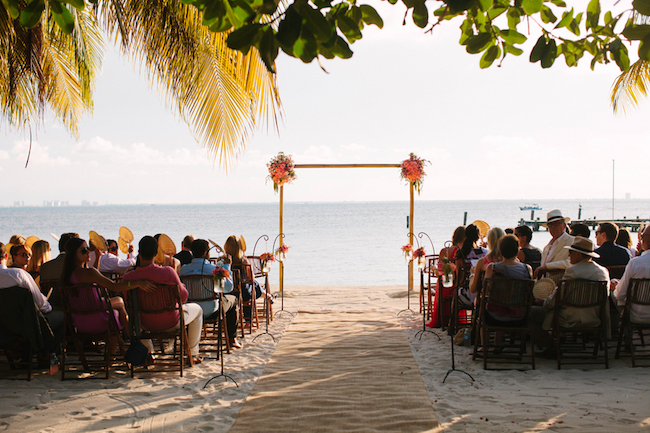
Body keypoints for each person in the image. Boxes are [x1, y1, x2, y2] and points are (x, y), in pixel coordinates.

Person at [122, 236, 204, 363]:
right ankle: (193, 353)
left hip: (144, 323)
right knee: (198, 310)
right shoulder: (167, 272)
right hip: (172, 321)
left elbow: (129, 305)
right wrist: (181, 285)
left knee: (134, 317)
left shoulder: (128, 278)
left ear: (139, 253)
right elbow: (183, 298)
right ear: (156, 253)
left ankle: (149, 353)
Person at [63, 238, 155, 334]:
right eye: (83, 250)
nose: (88, 252)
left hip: (79, 321)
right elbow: (113, 286)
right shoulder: (89, 273)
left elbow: (92, 276)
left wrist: (98, 257)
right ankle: (130, 337)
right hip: (97, 320)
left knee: (118, 304)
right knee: (118, 305)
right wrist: (138, 283)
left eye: (88, 248)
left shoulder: (67, 275)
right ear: (73, 255)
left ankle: (129, 337)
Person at [533, 237, 610, 348]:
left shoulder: (572, 271)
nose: (568, 255)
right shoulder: (602, 271)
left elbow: (557, 298)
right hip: (595, 317)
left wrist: (545, 302)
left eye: (570, 252)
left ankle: (548, 347)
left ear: (578, 254)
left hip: (569, 319)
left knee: (532, 312)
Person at [0, 242, 64, 349]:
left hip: (3, 327)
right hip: (26, 325)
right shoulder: (17, 275)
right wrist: (48, 306)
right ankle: (48, 354)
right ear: (6, 256)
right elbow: (41, 305)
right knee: (62, 316)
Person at [179, 239, 241, 348]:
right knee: (234, 300)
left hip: (191, 309)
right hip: (211, 310)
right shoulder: (214, 270)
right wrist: (227, 266)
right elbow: (228, 288)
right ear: (205, 253)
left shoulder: (183, 270)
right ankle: (232, 339)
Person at [480, 235, 534, 347]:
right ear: (517, 251)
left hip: (495, 317)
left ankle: (484, 349)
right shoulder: (527, 269)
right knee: (504, 303)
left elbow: (485, 290)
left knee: (490, 305)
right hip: (520, 316)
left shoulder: (492, 268)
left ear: (500, 251)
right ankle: (497, 343)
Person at [611, 224, 650, 324]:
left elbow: (620, 294)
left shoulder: (636, 263)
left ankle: (624, 332)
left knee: (614, 288)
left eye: (642, 236)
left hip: (638, 315)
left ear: (645, 240)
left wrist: (616, 287)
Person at [467, 227, 505, 304]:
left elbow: (473, 289)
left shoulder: (483, 262)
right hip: (508, 301)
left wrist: (472, 275)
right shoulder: (510, 261)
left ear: (489, 242)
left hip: (487, 303)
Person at [534, 209, 574, 279]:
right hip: (545, 285)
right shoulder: (547, 247)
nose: (553, 227)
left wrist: (547, 267)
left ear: (564, 225)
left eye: (556, 224)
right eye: (550, 225)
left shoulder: (572, 241)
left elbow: (571, 262)